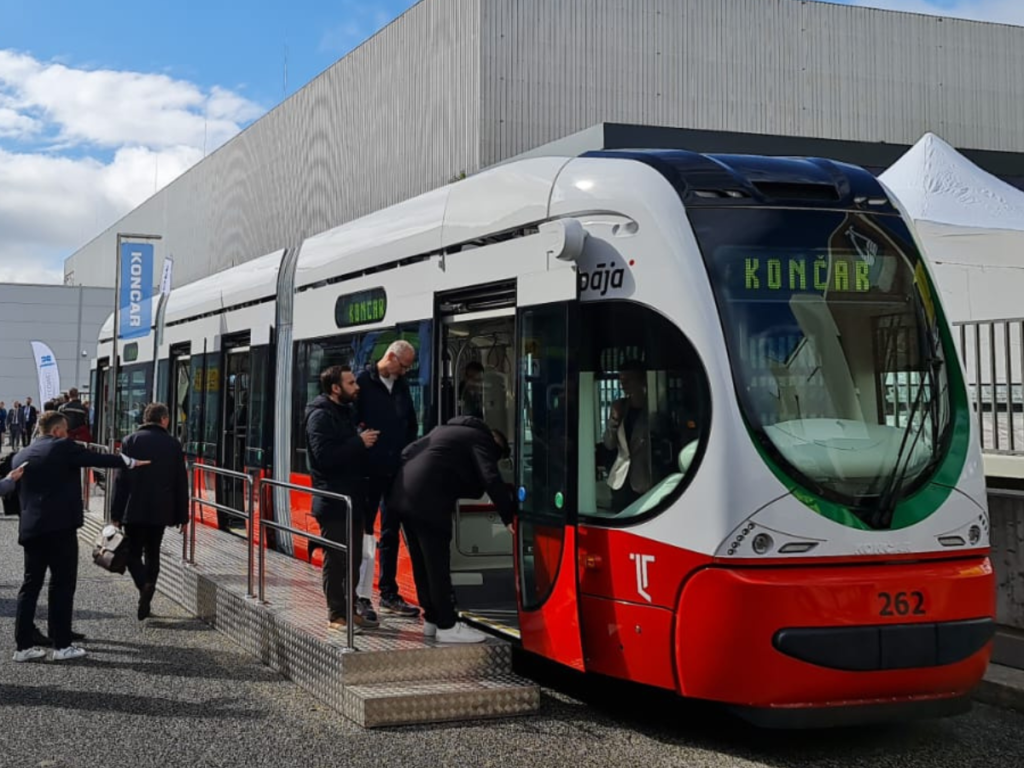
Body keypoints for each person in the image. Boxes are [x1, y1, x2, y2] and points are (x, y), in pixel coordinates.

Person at [12, 411, 149, 662]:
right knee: (62, 584)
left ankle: (23, 647)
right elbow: (96, 458)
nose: (68, 435)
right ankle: (62, 645)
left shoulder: (22, 454)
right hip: (60, 528)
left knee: (30, 586)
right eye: (65, 430)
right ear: (56, 431)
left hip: (31, 529)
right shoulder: (62, 447)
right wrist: (130, 462)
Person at [387, 416, 516, 644]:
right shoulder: (481, 439)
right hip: (429, 503)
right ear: (496, 445)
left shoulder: (443, 430)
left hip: (402, 497)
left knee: (422, 564)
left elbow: (407, 452)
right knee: (437, 566)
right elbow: (490, 476)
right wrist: (509, 516)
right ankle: (447, 625)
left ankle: (432, 620)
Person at [305, 365, 380, 632]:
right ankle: (336, 614)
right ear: (336, 388)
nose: (356, 386)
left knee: (353, 560)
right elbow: (324, 457)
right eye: (350, 383)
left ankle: (349, 610)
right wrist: (358, 443)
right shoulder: (319, 416)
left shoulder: (345, 412)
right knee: (336, 560)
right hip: (333, 500)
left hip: (353, 499)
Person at [356, 340, 420, 619]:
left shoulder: (401, 386)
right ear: (391, 357)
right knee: (366, 533)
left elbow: (411, 423)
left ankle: (388, 593)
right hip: (369, 471)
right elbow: (351, 421)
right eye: (404, 366)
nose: (405, 372)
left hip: (396, 470)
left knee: (391, 533)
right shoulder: (362, 382)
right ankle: (360, 596)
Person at [110, 403, 189, 620]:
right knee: (153, 552)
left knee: (133, 553)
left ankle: (143, 584)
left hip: (132, 509)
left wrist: (115, 513)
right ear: (164, 419)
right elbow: (181, 482)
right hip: (161, 510)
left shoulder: (130, 441)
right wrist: (183, 516)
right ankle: (149, 587)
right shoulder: (173, 444)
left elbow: (121, 480)